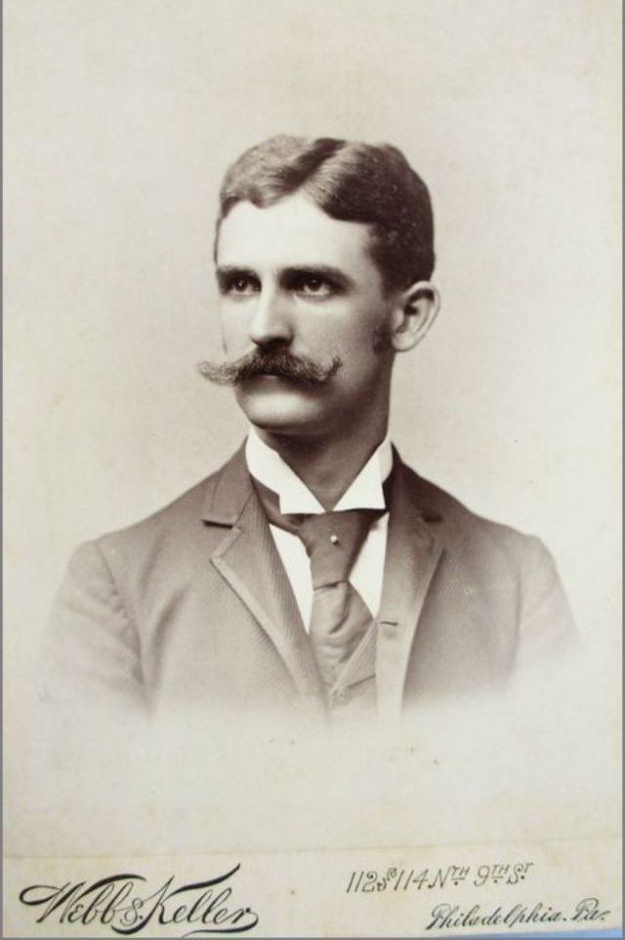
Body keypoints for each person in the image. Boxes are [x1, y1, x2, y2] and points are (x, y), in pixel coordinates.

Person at [41, 135, 577, 729]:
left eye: (310, 284)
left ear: (408, 316)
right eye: (241, 284)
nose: (264, 327)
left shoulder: (516, 582)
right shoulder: (116, 582)